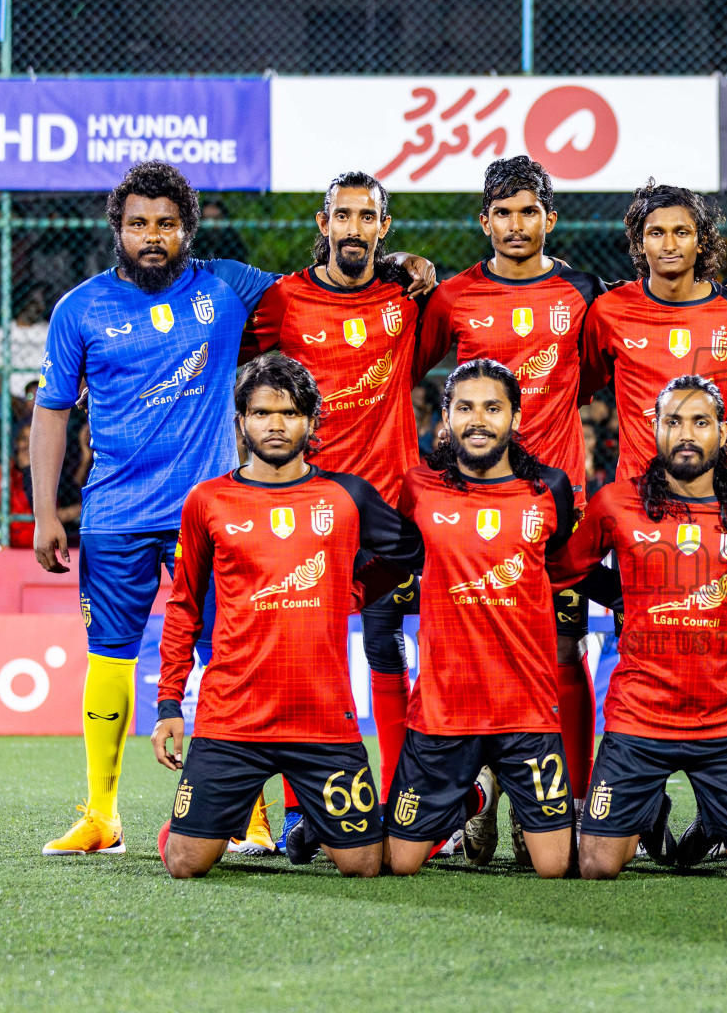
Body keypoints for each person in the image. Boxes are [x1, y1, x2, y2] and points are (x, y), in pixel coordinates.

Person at [31, 162, 280, 857]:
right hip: (113, 516)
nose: (151, 236)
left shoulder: (228, 287)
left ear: (187, 231)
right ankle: (101, 815)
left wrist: (400, 265)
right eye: (138, 223)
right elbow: (51, 412)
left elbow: (323, 289)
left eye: (166, 225)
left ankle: (248, 814)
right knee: (107, 656)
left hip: (210, 514)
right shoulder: (80, 309)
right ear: (118, 229)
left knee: (228, 661)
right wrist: (47, 513)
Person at [152, 353, 423, 878]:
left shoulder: (347, 496)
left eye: (291, 412)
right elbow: (184, 605)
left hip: (322, 719)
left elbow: (410, 551)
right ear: (241, 422)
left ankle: (315, 821)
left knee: (365, 866)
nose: (276, 424)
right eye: (261, 412)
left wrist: (355, 591)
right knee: (185, 863)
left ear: (312, 422)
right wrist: (168, 703)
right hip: (233, 717)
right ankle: (194, 822)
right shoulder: (207, 501)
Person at [244, 170, 438, 858]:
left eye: (367, 217)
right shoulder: (282, 302)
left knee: (389, 650)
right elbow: (239, 372)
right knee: (305, 661)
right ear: (322, 222)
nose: (353, 227)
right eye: (342, 215)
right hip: (308, 510)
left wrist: (414, 268)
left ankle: (401, 803)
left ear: (383, 228)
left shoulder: (409, 297)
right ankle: (302, 809)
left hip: (388, 513)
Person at [417, 156, 608, 815]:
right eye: (503, 212)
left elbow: (593, 377)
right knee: (472, 650)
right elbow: (413, 370)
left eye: (529, 211)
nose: (516, 224)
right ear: (484, 221)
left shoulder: (584, 291)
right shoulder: (452, 297)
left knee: (561, 648)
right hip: (469, 510)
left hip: (558, 510)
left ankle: (573, 803)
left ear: (550, 219)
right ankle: (478, 796)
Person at [548, 375, 727, 880]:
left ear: (723, 430)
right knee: (596, 867)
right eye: (673, 421)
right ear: (652, 428)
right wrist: (624, 597)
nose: (686, 433)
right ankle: (652, 813)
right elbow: (565, 569)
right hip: (638, 720)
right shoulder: (616, 503)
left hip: (726, 722)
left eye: (700, 422)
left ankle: (716, 821)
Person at [385, 360, 593, 878]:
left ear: (516, 417)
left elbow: (567, 566)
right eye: (465, 408)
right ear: (447, 419)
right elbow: (401, 556)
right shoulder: (418, 487)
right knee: (398, 863)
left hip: (526, 715)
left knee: (556, 867)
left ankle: (516, 799)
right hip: (442, 713)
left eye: (492, 408)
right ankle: (474, 798)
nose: (478, 420)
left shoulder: (550, 489)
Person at [580, 181, 727, 483]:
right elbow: (582, 387)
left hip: (712, 488)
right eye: (656, 233)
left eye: (681, 232)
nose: (669, 245)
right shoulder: (609, 311)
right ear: (639, 243)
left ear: (700, 240)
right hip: (635, 489)